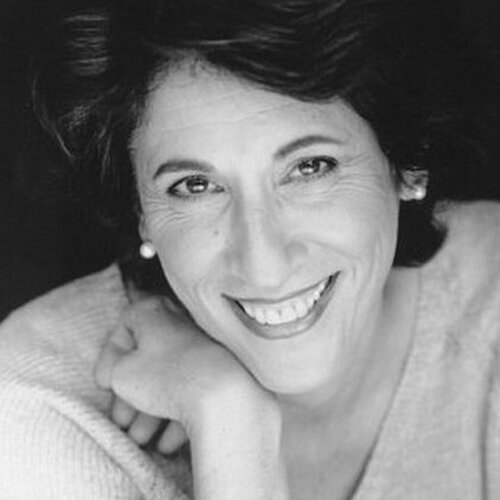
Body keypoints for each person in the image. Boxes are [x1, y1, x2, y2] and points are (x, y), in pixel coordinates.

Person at [1, 0, 500, 498]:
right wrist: (231, 417)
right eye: (195, 186)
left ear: (408, 164)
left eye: (309, 168)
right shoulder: (38, 400)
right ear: (140, 213)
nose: (264, 268)